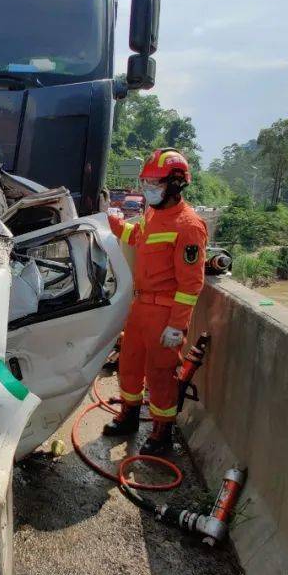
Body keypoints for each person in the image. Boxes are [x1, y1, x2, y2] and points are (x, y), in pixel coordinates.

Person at [104, 148, 207, 453]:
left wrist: (177, 325)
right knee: (130, 364)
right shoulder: (152, 214)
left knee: (161, 374)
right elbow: (137, 237)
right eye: (146, 182)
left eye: (155, 183)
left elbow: (191, 283)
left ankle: (162, 435)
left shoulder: (188, 226)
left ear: (175, 185)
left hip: (164, 311)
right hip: (140, 306)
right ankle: (129, 416)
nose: (148, 188)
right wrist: (110, 221)